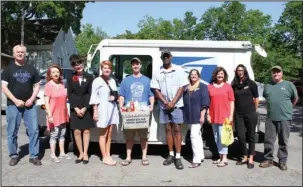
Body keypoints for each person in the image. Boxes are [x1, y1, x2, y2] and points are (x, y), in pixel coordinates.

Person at [1, 45, 42, 166]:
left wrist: (32, 99)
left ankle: (34, 156)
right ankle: (14, 155)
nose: (20, 53)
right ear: (13, 54)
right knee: (12, 131)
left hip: (30, 105)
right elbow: (4, 87)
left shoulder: (32, 69)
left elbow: (37, 85)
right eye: (17, 52)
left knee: (34, 130)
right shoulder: (8, 70)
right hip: (13, 105)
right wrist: (15, 100)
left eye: (22, 52)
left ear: (25, 54)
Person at [150, 50, 188, 170]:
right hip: (164, 106)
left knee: (177, 129)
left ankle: (178, 156)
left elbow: (182, 87)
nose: (165, 58)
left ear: (171, 57)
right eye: (163, 57)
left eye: (167, 56)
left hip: (176, 105)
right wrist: (165, 102)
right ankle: (170, 155)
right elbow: (156, 89)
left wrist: (172, 102)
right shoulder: (157, 72)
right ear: (161, 58)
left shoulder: (179, 70)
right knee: (168, 129)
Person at [260, 66, 298, 171]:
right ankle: (268, 160)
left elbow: (295, 98)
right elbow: (267, 99)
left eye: (278, 72)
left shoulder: (289, 85)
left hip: (285, 118)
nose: (275, 74)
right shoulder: (268, 86)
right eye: (273, 72)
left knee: (283, 141)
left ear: (282, 73)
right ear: (271, 74)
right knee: (268, 140)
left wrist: (289, 109)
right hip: (270, 118)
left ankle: (282, 161)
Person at [118, 57, 155, 166]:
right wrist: (121, 106)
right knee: (129, 137)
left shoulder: (147, 80)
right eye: (133, 64)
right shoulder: (126, 80)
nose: (135, 66)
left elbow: (151, 95)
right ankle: (128, 157)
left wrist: (151, 105)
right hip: (130, 111)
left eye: (137, 64)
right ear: (131, 66)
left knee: (144, 136)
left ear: (141, 66)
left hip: (142, 111)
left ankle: (144, 157)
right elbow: (121, 95)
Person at [89, 60, 119, 166]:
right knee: (103, 133)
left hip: (112, 108)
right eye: (105, 68)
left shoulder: (112, 81)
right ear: (102, 69)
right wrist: (95, 111)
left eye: (109, 68)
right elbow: (93, 96)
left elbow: (115, 94)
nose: (107, 69)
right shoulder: (97, 80)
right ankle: (104, 157)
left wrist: (115, 98)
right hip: (102, 109)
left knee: (110, 133)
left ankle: (108, 154)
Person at [67, 54, 94, 164]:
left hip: (86, 107)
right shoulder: (70, 77)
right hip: (75, 108)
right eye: (75, 65)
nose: (78, 66)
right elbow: (70, 94)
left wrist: (85, 108)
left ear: (83, 64)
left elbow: (90, 93)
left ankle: (86, 153)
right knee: (77, 131)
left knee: (86, 131)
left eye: (80, 63)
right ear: (73, 67)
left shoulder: (90, 77)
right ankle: (80, 153)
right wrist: (76, 108)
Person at [231, 64, 259, 169]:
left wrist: (254, 111)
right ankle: (244, 156)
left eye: (242, 70)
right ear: (236, 72)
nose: (240, 72)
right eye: (238, 70)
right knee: (241, 136)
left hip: (250, 113)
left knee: (251, 136)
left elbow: (256, 98)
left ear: (245, 71)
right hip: (238, 114)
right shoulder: (234, 84)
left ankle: (251, 158)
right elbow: (232, 100)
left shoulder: (251, 84)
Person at [44, 65, 73, 163]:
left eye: (57, 72)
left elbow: (66, 97)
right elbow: (46, 101)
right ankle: (53, 155)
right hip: (54, 115)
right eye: (53, 72)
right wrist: (50, 115)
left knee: (62, 135)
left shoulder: (62, 84)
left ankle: (62, 153)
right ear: (50, 74)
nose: (56, 74)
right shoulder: (48, 85)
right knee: (54, 135)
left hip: (63, 114)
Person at [207, 66, 235, 167]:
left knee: (223, 137)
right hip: (213, 115)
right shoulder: (210, 86)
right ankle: (220, 156)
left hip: (225, 116)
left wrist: (231, 115)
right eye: (218, 74)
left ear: (224, 75)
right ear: (215, 75)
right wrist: (208, 115)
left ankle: (225, 158)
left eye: (222, 74)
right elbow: (208, 102)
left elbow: (232, 101)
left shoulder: (228, 87)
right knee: (216, 137)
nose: (220, 75)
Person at [183, 69, 210, 168]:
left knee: (193, 136)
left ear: (198, 76)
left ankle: (196, 160)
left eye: (195, 74)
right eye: (191, 74)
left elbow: (205, 103)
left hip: (198, 116)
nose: (193, 76)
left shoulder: (202, 86)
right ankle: (201, 156)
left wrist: (203, 115)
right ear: (189, 76)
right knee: (197, 136)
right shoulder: (187, 88)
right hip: (189, 116)